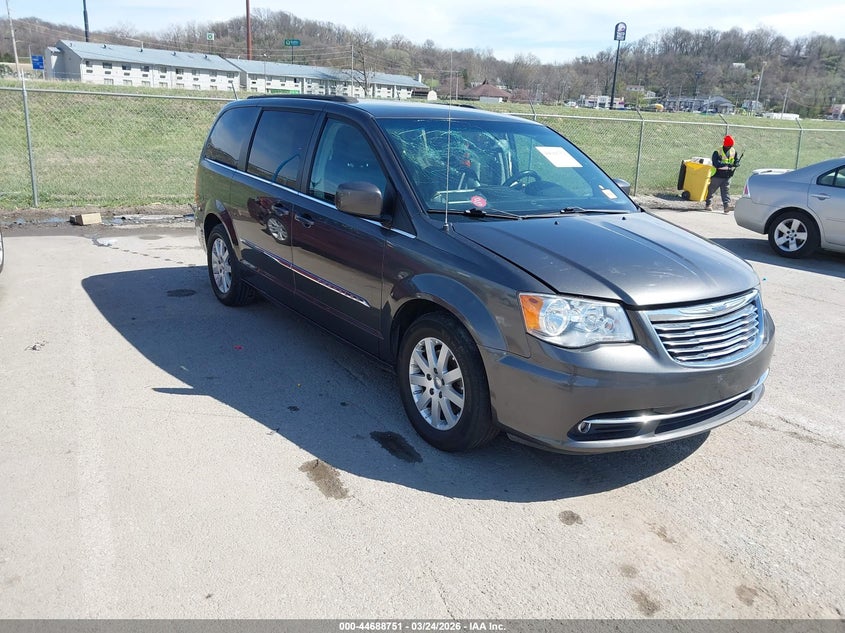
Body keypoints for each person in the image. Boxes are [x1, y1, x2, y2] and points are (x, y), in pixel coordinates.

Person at [705, 135, 739, 213]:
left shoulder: (733, 151)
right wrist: (727, 165)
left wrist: (736, 163)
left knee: (726, 191)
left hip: (727, 175)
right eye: (728, 146)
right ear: (725, 144)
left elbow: (735, 160)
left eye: (730, 146)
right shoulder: (717, 151)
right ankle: (708, 204)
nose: (729, 147)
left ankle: (726, 206)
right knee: (711, 190)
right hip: (717, 174)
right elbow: (716, 163)